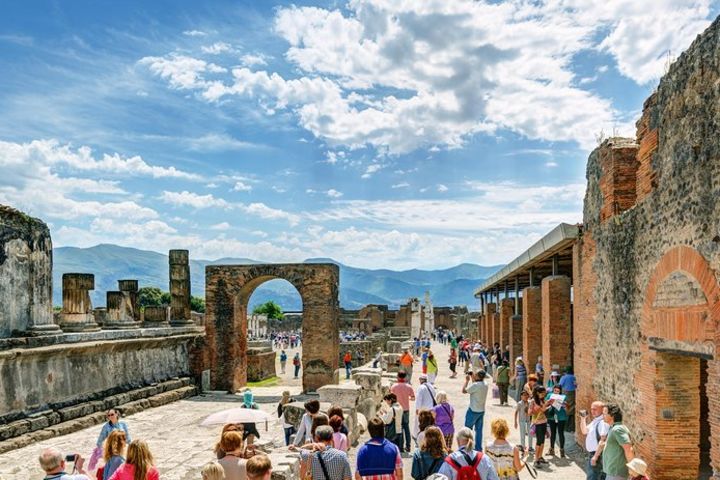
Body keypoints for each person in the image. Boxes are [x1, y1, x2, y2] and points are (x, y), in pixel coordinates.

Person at [599, 403, 634, 480]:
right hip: (613, 473)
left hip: (616, 473)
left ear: (612, 415)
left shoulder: (618, 429)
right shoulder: (613, 428)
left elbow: (628, 449)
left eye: (604, 413)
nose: (602, 416)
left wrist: (633, 468)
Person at [581, 401, 609, 480]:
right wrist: (583, 419)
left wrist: (595, 457)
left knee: (593, 477)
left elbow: (603, 441)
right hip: (593, 455)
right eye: (591, 409)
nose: (592, 411)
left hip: (597, 455)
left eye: (595, 409)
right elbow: (584, 431)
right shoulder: (595, 420)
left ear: (602, 410)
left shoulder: (602, 423)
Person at [462, 370, 489, 451]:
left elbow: (464, 391)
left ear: (478, 376)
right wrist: (472, 377)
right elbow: (475, 384)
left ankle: (466, 446)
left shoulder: (475, 385)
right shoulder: (485, 384)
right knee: (479, 431)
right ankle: (478, 448)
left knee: (467, 429)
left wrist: (466, 381)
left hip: (473, 410)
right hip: (481, 410)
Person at [528, 385, 553, 468]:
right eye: (542, 393)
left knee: (542, 441)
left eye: (544, 393)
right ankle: (536, 459)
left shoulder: (543, 400)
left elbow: (543, 410)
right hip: (537, 423)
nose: (544, 395)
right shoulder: (532, 401)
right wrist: (541, 407)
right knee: (539, 441)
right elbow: (529, 413)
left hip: (544, 422)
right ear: (538, 393)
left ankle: (540, 456)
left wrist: (548, 404)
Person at [390, 371, 415, 453]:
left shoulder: (394, 386)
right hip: (406, 409)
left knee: (398, 427)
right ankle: (408, 446)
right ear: (405, 377)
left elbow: (391, 397)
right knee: (406, 428)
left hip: (397, 409)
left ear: (398, 376)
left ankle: (400, 446)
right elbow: (413, 398)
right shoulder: (409, 386)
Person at [545, 385, 568, 458]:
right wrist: (549, 402)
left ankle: (562, 450)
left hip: (561, 417)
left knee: (561, 433)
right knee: (553, 433)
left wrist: (564, 404)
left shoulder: (563, 397)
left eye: (558, 391)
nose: (556, 392)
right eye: (555, 390)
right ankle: (551, 449)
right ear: (553, 390)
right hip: (552, 416)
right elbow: (545, 405)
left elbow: (567, 408)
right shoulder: (549, 395)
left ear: (560, 391)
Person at [414, 374, 437, 441]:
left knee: (421, 423)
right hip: (431, 408)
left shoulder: (421, 387)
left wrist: (417, 408)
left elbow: (419, 399)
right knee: (429, 423)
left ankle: (419, 437)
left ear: (421, 380)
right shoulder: (431, 386)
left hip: (423, 409)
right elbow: (434, 394)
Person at [559, 366, 576, 432]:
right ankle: (571, 428)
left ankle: (565, 427)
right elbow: (576, 385)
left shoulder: (563, 377)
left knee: (565, 410)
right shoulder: (574, 377)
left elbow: (560, 385)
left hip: (565, 395)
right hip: (573, 395)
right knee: (572, 411)